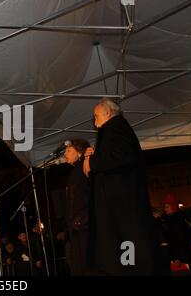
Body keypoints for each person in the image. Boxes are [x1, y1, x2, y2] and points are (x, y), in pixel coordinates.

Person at [83, 98, 160, 275]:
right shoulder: (113, 130)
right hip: (120, 204)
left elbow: (123, 156)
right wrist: (94, 156)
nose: (95, 122)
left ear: (108, 113)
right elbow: (115, 158)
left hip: (124, 205)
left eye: (96, 116)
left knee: (129, 245)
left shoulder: (116, 128)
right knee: (125, 246)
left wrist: (94, 162)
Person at [62, 139, 91, 275]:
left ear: (79, 153)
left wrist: (82, 218)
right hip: (77, 224)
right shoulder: (74, 173)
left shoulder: (84, 169)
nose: (65, 154)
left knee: (85, 262)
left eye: (69, 151)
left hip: (84, 225)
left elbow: (91, 195)